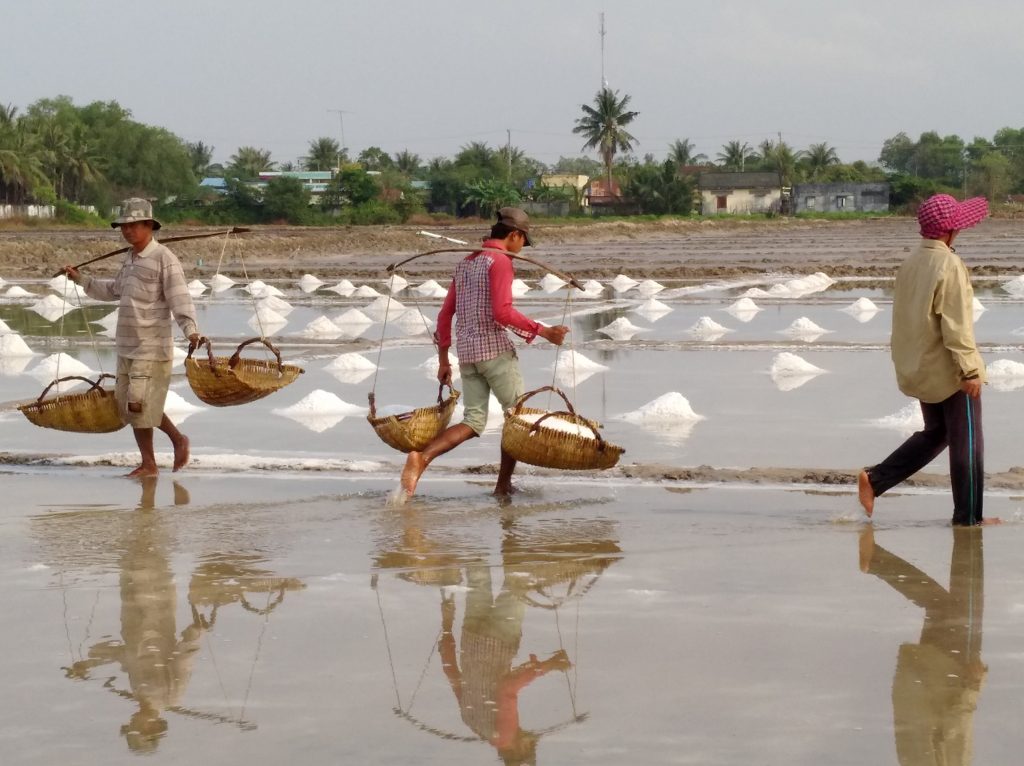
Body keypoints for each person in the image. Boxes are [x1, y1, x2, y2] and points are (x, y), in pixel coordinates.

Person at [400, 208, 569, 498]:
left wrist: (444, 359)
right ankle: (502, 486)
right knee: (516, 418)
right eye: (522, 242)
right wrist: (544, 331)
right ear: (514, 235)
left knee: (473, 421)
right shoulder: (500, 262)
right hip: (494, 352)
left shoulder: (466, 263)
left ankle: (421, 459)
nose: (520, 249)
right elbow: (502, 313)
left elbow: (444, 316)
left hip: (467, 355)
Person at [857, 194, 996, 526]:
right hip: (949, 370)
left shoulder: (912, 262)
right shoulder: (949, 264)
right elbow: (956, 326)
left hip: (919, 364)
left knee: (937, 433)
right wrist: (971, 370)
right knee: (968, 443)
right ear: (949, 231)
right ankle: (969, 519)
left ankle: (875, 480)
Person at [65, 198, 201, 478]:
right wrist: (81, 280)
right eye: (123, 226)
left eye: (133, 225)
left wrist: (191, 330)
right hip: (126, 345)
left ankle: (177, 441)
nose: (127, 231)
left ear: (149, 225)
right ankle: (149, 463)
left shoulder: (164, 259)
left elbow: (180, 299)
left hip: (150, 347)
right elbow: (112, 290)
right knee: (130, 408)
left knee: (139, 405)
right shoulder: (128, 260)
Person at [858, 526, 987, 764]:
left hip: (944, 678)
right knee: (945, 606)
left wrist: (971, 688)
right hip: (926, 680)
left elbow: (955, 730)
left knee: (954, 607)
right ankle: (877, 561)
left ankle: (877, 562)